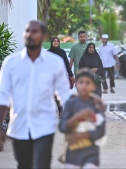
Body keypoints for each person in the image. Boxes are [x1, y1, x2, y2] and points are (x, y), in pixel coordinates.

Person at [0, 21, 71, 168]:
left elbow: (65, 94)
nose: (29, 35)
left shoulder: (55, 63)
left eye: (34, 32)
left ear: (44, 36)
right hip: (19, 127)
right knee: (24, 165)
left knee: (41, 165)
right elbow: (3, 96)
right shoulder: (11, 63)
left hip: (44, 126)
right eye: (27, 31)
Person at [59, 68, 106, 168]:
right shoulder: (70, 104)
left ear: (93, 86)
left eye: (88, 83)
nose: (84, 85)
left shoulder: (97, 105)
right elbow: (62, 127)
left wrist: (81, 135)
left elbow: (101, 131)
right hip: (72, 153)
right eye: (81, 82)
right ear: (76, 84)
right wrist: (78, 116)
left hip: (91, 154)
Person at [48, 37, 74, 115]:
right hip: (50, 77)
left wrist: (71, 75)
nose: (56, 42)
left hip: (60, 76)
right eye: (54, 41)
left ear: (59, 43)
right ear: (51, 43)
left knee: (59, 93)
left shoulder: (62, 52)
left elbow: (66, 64)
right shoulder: (48, 53)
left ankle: (60, 110)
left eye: (57, 41)